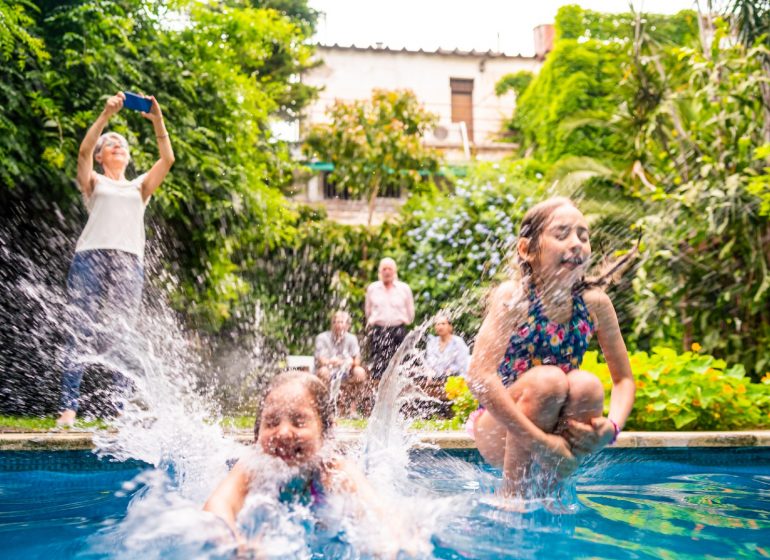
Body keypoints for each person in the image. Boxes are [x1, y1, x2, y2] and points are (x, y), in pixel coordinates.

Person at [466, 197, 635, 493]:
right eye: (562, 234)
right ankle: (512, 497)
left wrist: (612, 428)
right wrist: (542, 444)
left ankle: (552, 494)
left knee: (586, 385)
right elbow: (479, 377)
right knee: (548, 381)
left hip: (554, 419)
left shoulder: (595, 304)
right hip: (500, 426)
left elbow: (623, 380)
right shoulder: (514, 298)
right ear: (526, 249)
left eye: (584, 236)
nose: (576, 243)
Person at [56, 92, 174, 427]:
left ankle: (120, 408)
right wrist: (106, 116)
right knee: (80, 329)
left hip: (129, 262)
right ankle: (68, 408)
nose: (117, 145)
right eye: (110, 143)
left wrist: (158, 120)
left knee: (122, 333)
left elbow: (167, 160)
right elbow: (82, 152)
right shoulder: (94, 182)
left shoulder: (139, 188)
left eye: (122, 143)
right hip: (90, 257)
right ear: (101, 156)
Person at [203, 371, 413, 554]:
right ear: (257, 435)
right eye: (272, 422)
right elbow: (217, 507)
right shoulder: (251, 468)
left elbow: (377, 513)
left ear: (326, 432)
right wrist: (234, 543)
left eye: (299, 421)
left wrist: (390, 540)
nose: (284, 432)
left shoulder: (333, 469)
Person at [364, 258, 414, 381]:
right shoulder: (372, 288)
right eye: (384, 269)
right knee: (379, 365)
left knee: (400, 364)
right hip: (379, 331)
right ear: (379, 272)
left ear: (395, 271)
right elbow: (368, 311)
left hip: (398, 330)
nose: (387, 272)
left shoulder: (404, 289)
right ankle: (377, 395)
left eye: (389, 269)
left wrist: (404, 321)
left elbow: (411, 313)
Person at [314, 311, 367, 417]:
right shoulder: (322, 337)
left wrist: (346, 363)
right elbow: (321, 360)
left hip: (345, 372)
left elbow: (357, 361)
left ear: (347, 325)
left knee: (360, 372)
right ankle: (326, 408)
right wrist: (331, 362)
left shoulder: (352, 338)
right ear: (331, 324)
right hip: (328, 371)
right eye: (335, 322)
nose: (338, 325)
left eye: (341, 322)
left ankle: (352, 410)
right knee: (323, 372)